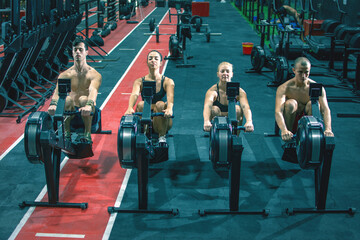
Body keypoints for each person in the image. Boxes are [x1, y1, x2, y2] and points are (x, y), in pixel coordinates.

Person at [48, 38, 102, 143]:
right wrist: (53, 104)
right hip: (71, 113)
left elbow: (93, 91)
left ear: (86, 52)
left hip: (88, 112)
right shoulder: (65, 75)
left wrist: (89, 105)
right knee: (67, 99)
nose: (78, 52)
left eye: (80, 50)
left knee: (83, 99)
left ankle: (87, 134)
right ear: (72, 53)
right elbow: (57, 92)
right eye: (75, 50)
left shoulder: (94, 74)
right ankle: (66, 134)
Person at [275, 57, 334, 142]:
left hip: (307, 121)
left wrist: (328, 129)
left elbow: (325, 109)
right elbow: (278, 111)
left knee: (313, 104)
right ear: (294, 70)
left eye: (306, 72)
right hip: (291, 120)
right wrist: (284, 130)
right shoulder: (284, 88)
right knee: (291, 103)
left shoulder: (316, 87)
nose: (303, 76)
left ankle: (310, 135)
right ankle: (289, 137)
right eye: (300, 72)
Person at [124, 50, 175, 146]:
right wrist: (130, 107)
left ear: (160, 63)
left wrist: (169, 108)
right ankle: (143, 134)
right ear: (147, 62)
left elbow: (170, 97)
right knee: (141, 104)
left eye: (156, 58)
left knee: (160, 104)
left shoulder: (168, 81)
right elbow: (134, 94)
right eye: (150, 58)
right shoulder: (139, 81)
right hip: (147, 118)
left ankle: (162, 137)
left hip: (162, 119)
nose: (153, 60)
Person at [203, 62, 254, 132]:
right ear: (218, 74)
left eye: (227, 71)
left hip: (232, 116)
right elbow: (207, 106)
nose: (225, 73)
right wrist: (206, 121)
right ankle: (215, 133)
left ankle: (235, 135)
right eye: (222, 71)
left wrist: (249, 121)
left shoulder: (240, 91)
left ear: (232, 74)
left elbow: (245, 107)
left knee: (238, 109)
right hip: (218, 115)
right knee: (214, 109)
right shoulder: (212, 91)